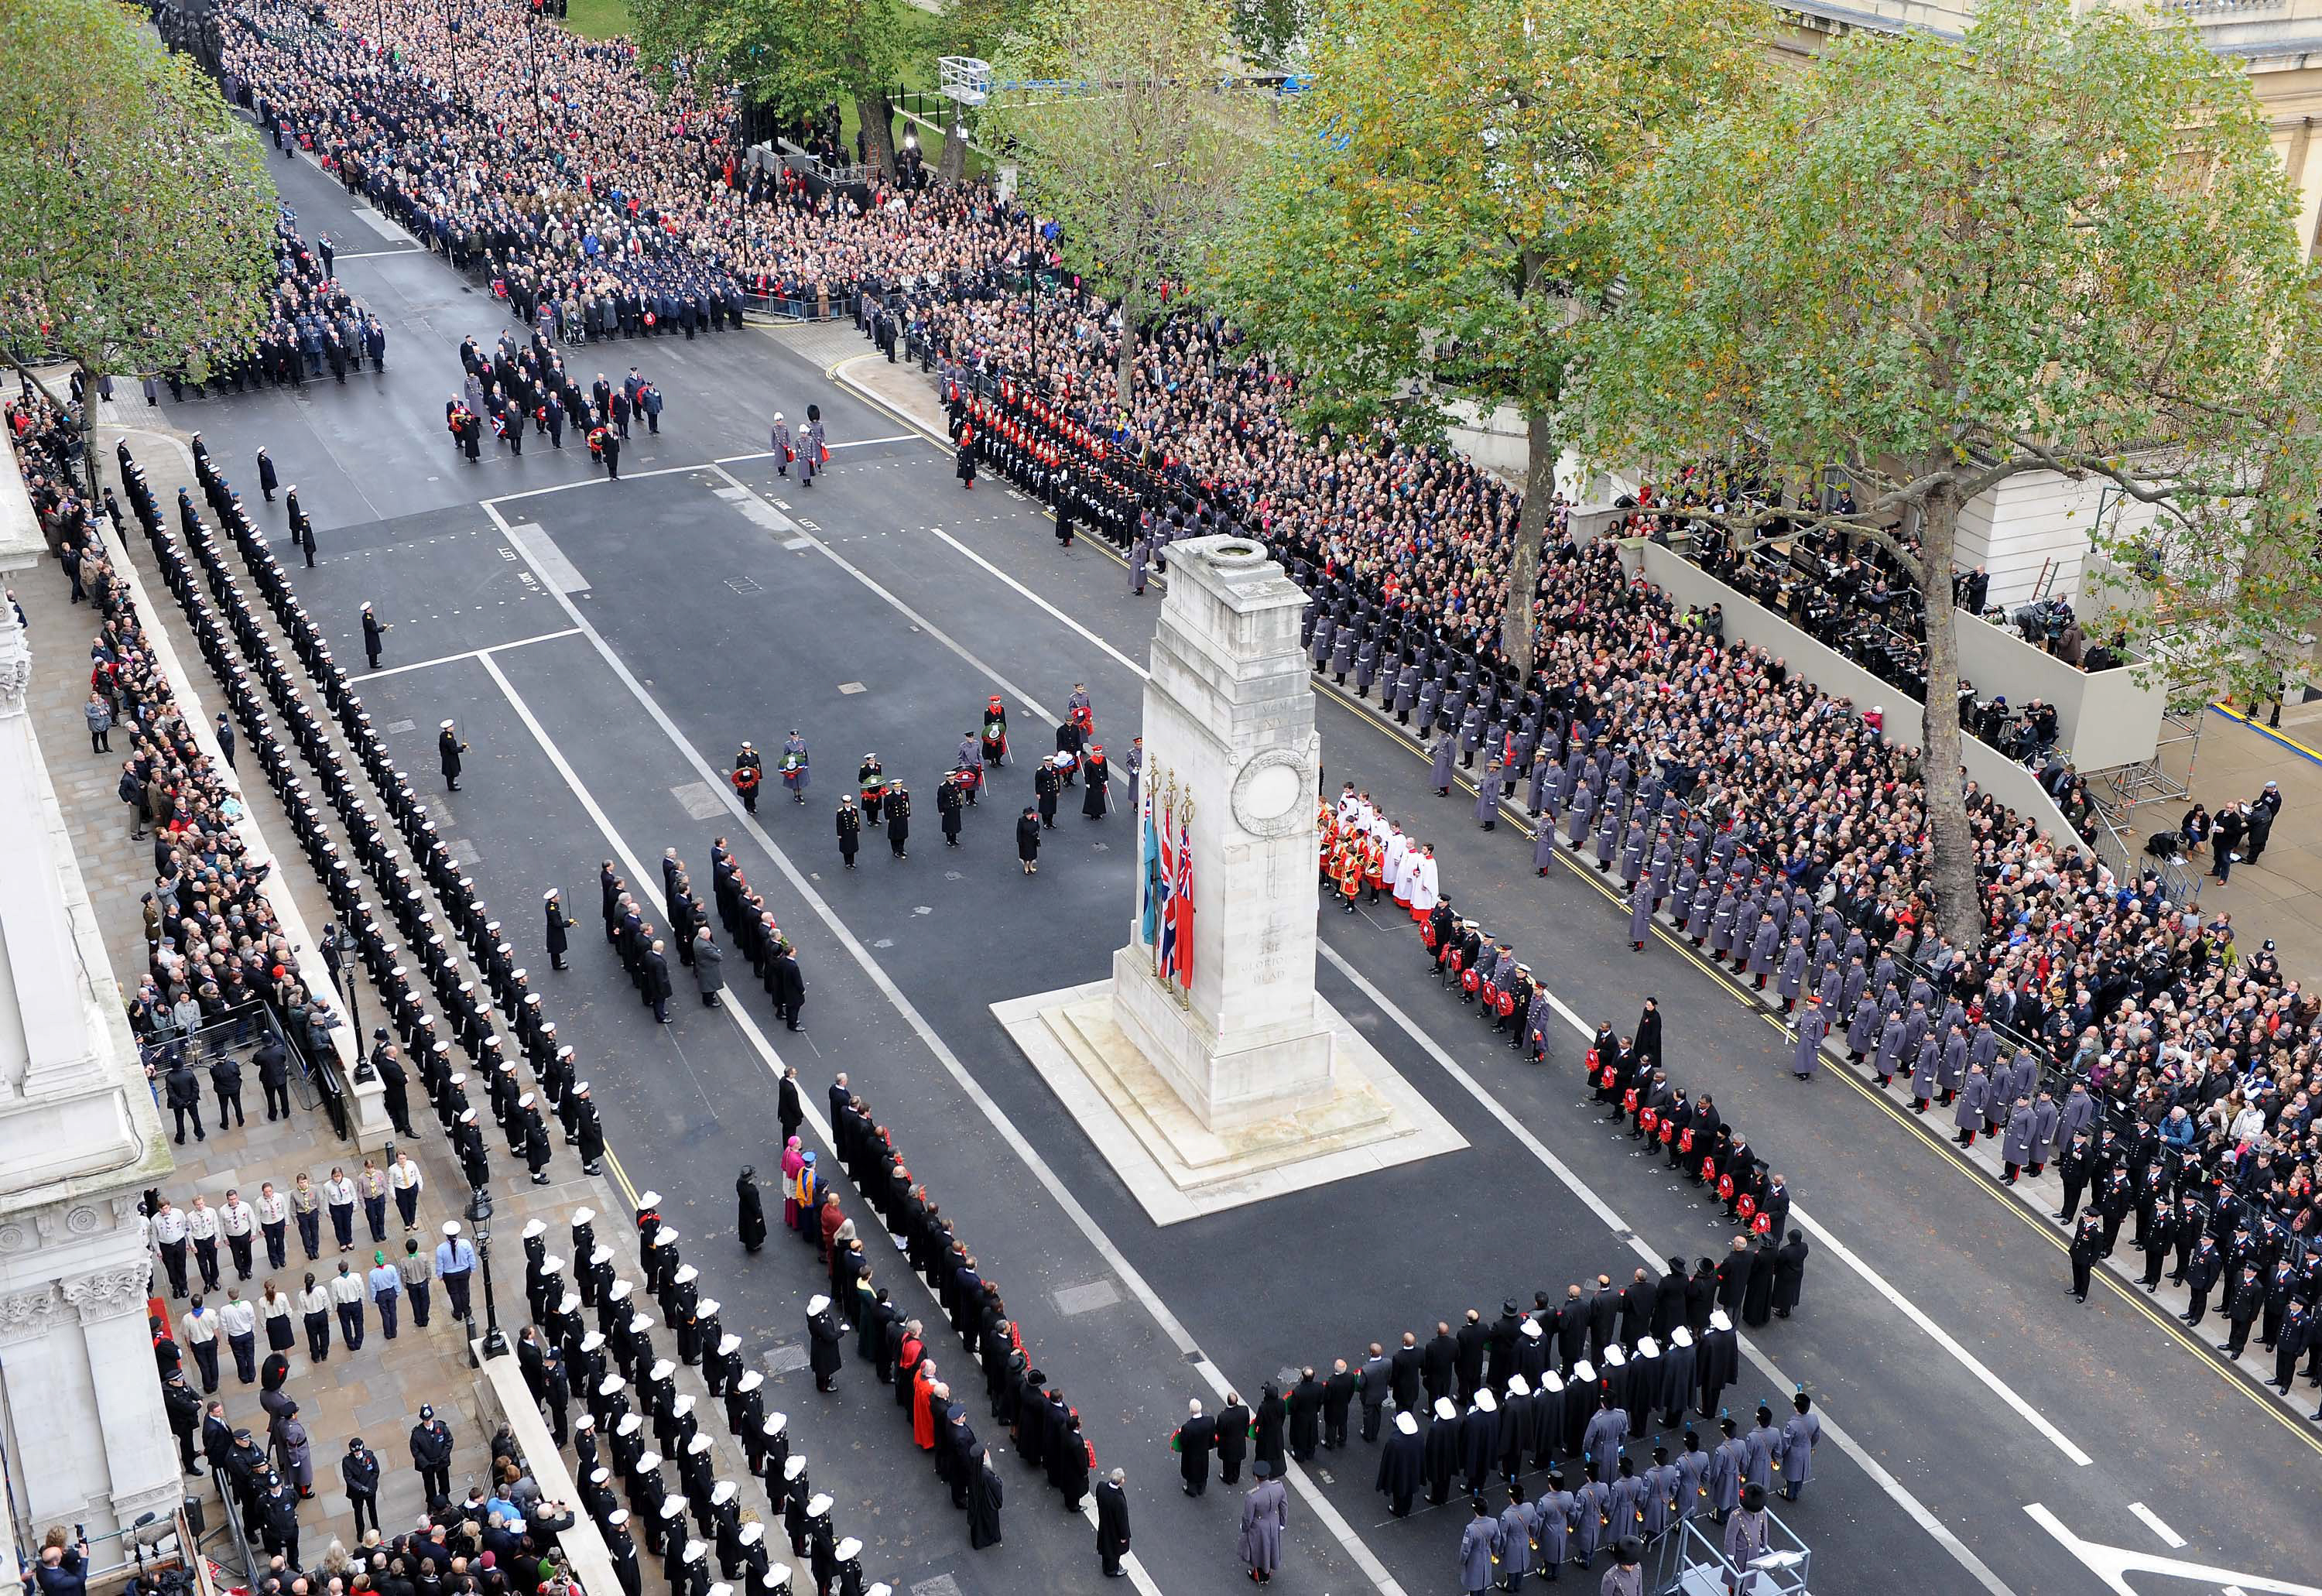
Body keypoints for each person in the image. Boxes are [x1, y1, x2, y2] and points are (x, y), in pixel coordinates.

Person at [1239, 1460, 1288, 1585]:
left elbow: (1247, 1517)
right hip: (1274, 1521)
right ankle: (1268, 1572)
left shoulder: (1252, 1496)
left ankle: (1261, 1576)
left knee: (1259, 1552)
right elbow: (1284, 1506)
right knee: (1272, 1548)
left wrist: (1244, 1528)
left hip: (1259, 1527)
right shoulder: (1279, 1486)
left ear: (1256, 1477)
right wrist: (1282, 1522)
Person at [410, 1404, 453, 1505]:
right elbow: (415, 1451)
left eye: (429, 1419)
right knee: (429, 1485)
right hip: (427, 1464)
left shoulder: (441, 1427)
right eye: (426, 1420)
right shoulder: (417, 1434)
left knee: (444, 1482)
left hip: (441, 1461)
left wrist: (442, 1457)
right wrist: (426, 1463)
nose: (428, 1422)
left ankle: (445, 1499)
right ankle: (432, 1503)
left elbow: (449, 1441)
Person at [1094, 1466, 1132, 1578]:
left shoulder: (1101, 1487)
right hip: (1114, 1530)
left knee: (1105, 1545)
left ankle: (1106, 1565)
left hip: (1104, 1524)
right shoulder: (1118, 1500)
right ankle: (1112, 1570)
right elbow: (1122, 1520)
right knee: (1114, 1551)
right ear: (1121, 1481)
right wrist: (1124, 1536)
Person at [1173, 1399, 1215, 1496]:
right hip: (1204, 1452)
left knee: (1191, 1472)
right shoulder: (1210, 1421)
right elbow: (1212, 1436)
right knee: (1203, 1469)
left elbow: (1183, 1442)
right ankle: (1201, 1488)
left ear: (1191, 1411)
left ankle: (1192, 1490)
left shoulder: (1187, 1427)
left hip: (1191, 1455)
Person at [968, 1447, 1004, 1550]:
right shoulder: (987, 1475)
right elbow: (996, 1487)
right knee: (989, 1522)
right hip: (987, 1504)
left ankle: (979, 1540)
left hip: (977, 1502)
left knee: (979, 1524)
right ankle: (990, 1538)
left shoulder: (973, 1470)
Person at [1459, 1498, 1495, 1595]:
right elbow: (1496, 1541)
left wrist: (1462, 1560)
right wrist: (1494, 1554)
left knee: (1474, 1584)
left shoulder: (1470, 1529)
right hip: (1487, 1555)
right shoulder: (1494, 1522)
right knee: (1484, 1580)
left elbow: (1465, 1550)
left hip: (1474, 1559)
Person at [737, 1167, 767, 1254]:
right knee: (752, 1228)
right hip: (751, 1212)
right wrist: (758, 1215)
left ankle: (748, 1242)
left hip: (743, 1208)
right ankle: (754, 1245)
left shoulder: (739, 1183)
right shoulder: (750, 1191)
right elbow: (754, 1205)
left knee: (746, 1226)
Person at [1017, 807, 1043, 875]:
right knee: (1025, 856)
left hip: (1032, 840)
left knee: (1032, 855)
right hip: (1025, 841)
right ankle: (1026, 867)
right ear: (1025, 815)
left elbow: (1038, 827)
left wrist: (1036, 833)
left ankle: (1031, 866)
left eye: (1030, 814)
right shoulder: (1021, 821)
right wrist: (1019, 841)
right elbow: (1019, 832)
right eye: (1028, 815)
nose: (1029, 816)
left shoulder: (1035, 819)